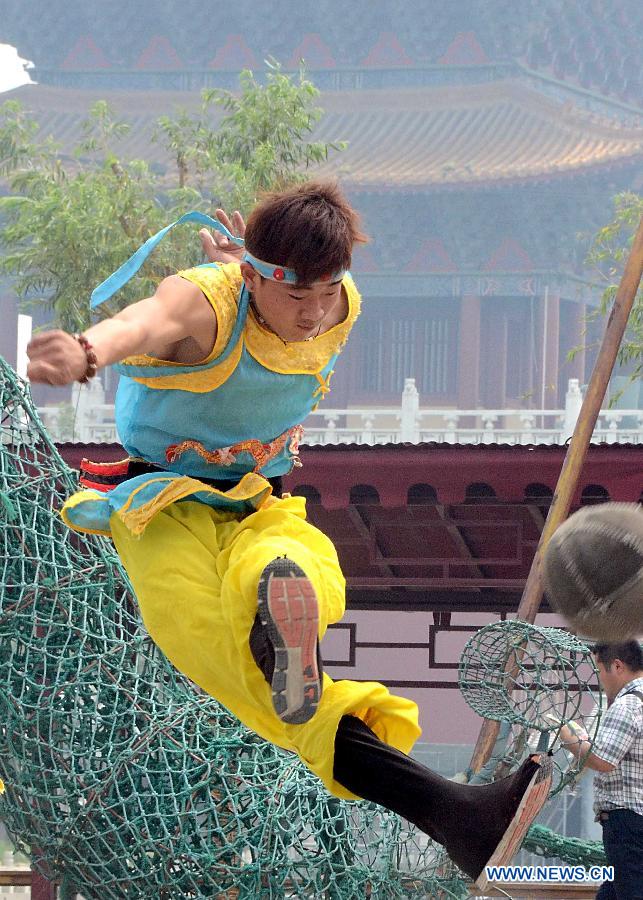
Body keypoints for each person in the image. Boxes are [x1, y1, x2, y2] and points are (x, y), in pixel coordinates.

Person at [27, 179, 550, 885]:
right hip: (160, 506)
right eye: (294, 297)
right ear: (251, 275)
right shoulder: (204, 300)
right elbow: (142, 324)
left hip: (257, 497)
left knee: (302, 565)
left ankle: (289, 610)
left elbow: (308, 295)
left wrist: (297, 287)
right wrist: (87, 354)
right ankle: (455, 812)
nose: (312, 316)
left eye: (325, 295)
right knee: (218, 651)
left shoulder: (339, 304)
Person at [559, 641, 643, 899]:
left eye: (599, 670)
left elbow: (603, 759)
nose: (599, 679)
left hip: (627, 821)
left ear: (617, 665)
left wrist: (569, 736)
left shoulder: (628, 705)